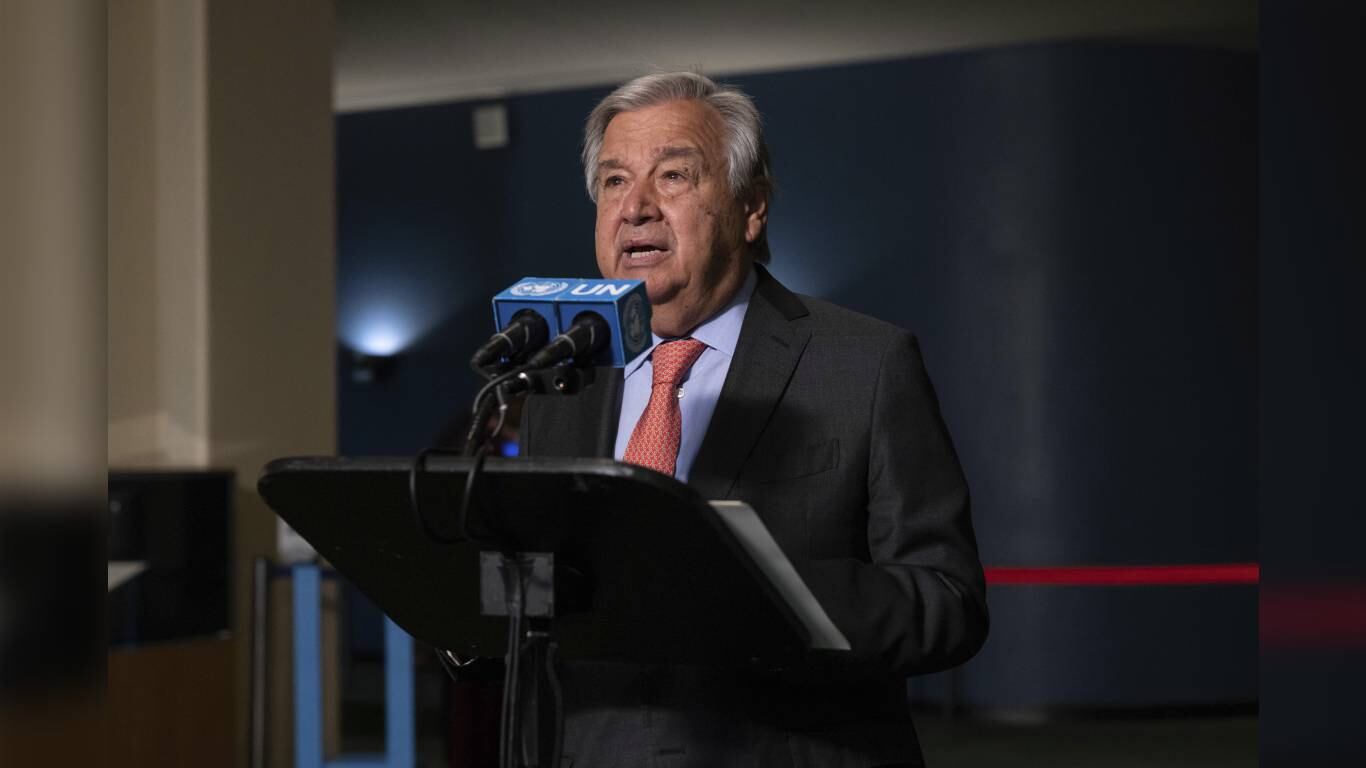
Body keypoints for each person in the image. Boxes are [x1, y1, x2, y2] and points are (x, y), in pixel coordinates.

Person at [520, 71, 988, 768]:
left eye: (672, 175)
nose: (636, 208)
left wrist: (766, 591)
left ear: (751, 208)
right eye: (615, 182)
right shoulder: (565, 375)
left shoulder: (865, 363)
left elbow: (946, 600)